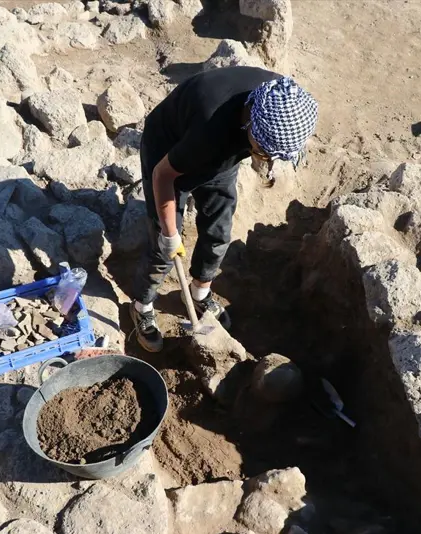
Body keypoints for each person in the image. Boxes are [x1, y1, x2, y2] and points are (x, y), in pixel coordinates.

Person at [129, 66, 318, 352]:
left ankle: (198, 293)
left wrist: (264, 156)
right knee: (163, 249)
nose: (267, 159)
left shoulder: (284, 99)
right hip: (169, 151)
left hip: (221, 155)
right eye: (264, 152)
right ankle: (141, 305)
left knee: (219, 230)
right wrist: (169, 234)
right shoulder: (209, 129)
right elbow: (163, 175)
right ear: (251, 126)